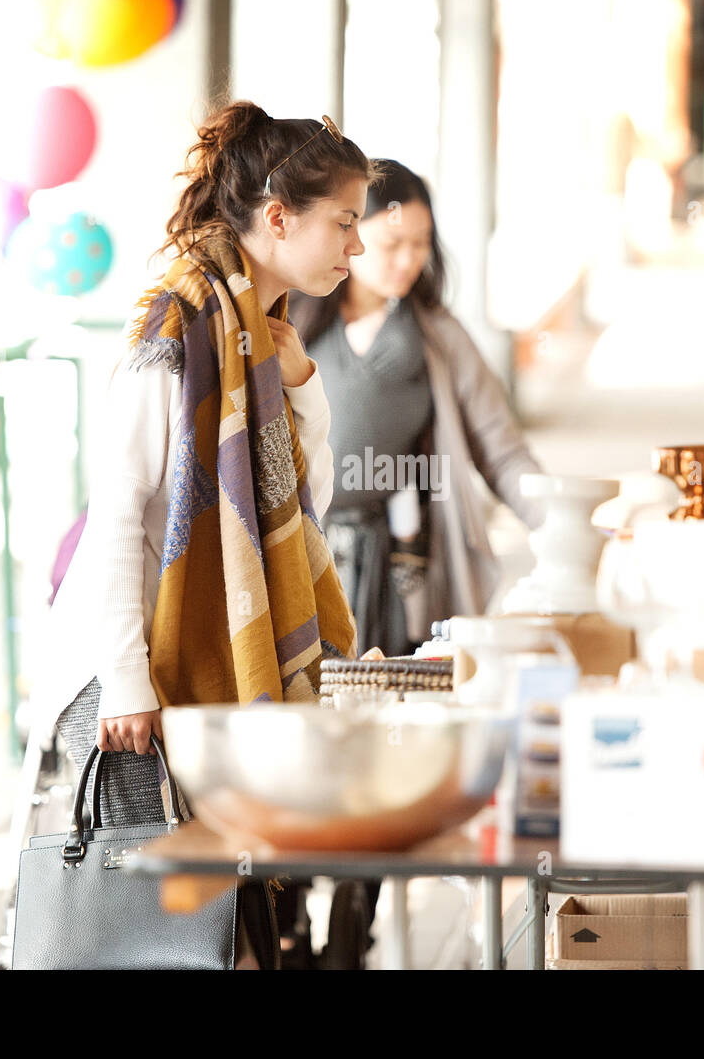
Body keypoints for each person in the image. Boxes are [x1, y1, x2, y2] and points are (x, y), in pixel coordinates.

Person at [26, 100, 373, 969]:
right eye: (345, 222)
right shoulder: (174, 333)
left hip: (210, 679)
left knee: (221, 930)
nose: (355, 247)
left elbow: (306, 512)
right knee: (161, 936)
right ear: (279, 216)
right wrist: (126, 681)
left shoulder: (264, 345)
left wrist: (302, 386)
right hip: (135, 681)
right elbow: (115, 512)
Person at [285, 160, 546, 967]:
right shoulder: (292, 320)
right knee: (303, 742)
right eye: (389, 241)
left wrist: (567, 522)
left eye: (420, 246)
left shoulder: (436, 332)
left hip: (401, 573)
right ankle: (285, 917)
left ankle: (350, 929)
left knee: (388, 747)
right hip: (310, 568)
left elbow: (504, 449)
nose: (404, 260)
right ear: (351, 236)